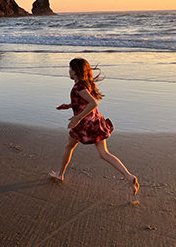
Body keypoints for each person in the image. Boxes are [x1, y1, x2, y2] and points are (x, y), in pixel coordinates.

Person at [49, 58, 139, 195]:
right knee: (104, 154)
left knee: (69, 146)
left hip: (84, 125)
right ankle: (129, 176)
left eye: (70, 69)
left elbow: (93, 103)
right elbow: (83, 103)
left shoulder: (79, 87)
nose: (69, 71)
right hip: (95, 122)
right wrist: (69, 106)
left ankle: (60, 174)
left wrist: (78, 117)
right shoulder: (84, 85)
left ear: (75, 71)